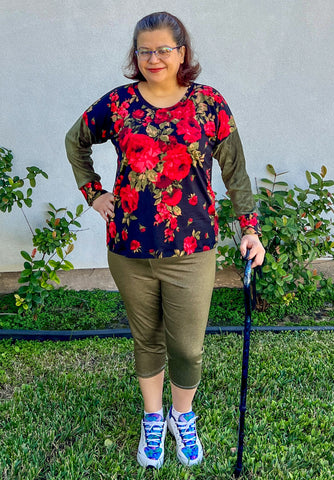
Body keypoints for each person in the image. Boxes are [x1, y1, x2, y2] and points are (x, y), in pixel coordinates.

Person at [65, 11, 265, 470]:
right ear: (135, 55)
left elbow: (235, 173)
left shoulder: (210, 104)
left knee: (188, 345)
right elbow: (75, 142)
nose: (154, 58)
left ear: (183, 53)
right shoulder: (118, 105)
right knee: (147, 337)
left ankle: (183, 414)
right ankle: (154, 417)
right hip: (129, 248)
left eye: (164, 49)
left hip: (193, 250)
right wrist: (94, 193)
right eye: (144, 50)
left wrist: (249, 228)